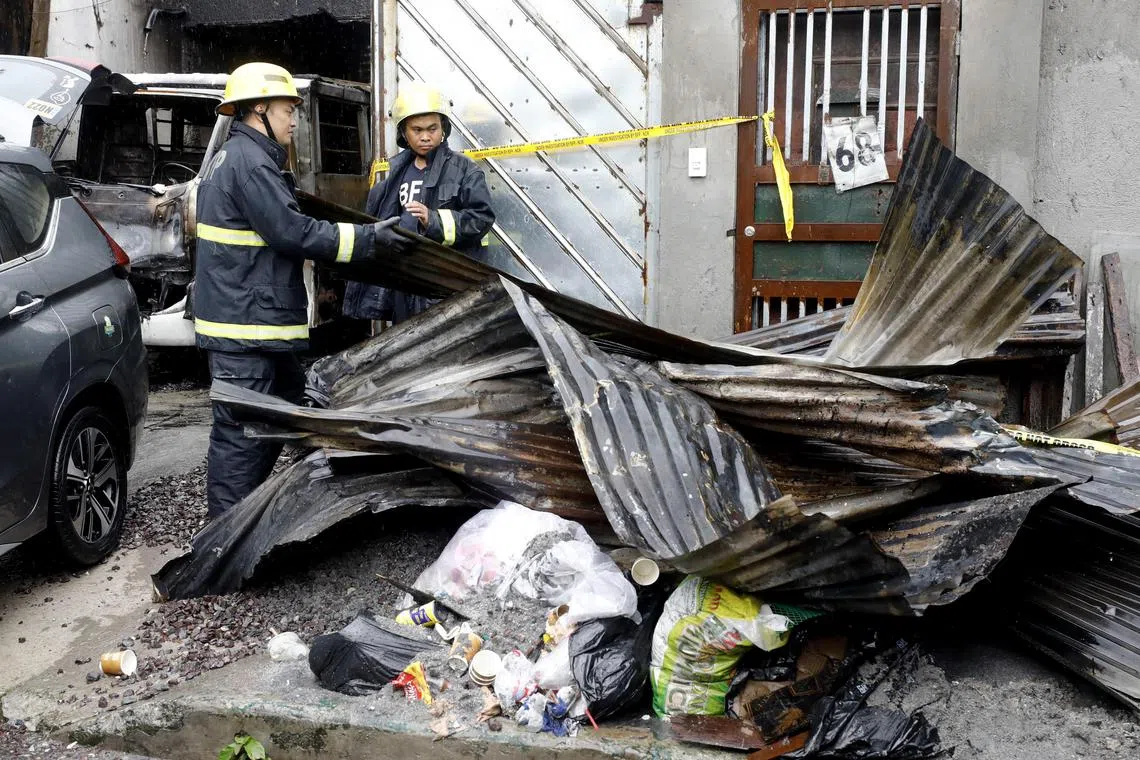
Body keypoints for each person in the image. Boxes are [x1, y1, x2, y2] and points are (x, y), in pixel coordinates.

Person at [194, 62, 409, 518]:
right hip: (245, 328)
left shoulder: (241, 158)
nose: (294, 119)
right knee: (243, 432)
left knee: (290, 412)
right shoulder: (252, 165)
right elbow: (292, 233)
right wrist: (370, 240)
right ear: (258, 109)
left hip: (252, 322)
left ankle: (276, 510)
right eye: (287, 109)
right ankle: (221, 542)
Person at [343, 82, 494, 323]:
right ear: (404, 133)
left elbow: (482, 219)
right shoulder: (394, 174)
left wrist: (433, 220)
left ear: (443, 128)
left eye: (432, 128)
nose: (425, 136)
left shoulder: (465, 170)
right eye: (417, 129)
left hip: (444, 287)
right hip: (404, 286)